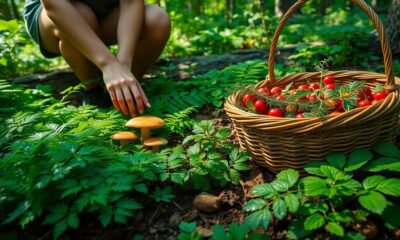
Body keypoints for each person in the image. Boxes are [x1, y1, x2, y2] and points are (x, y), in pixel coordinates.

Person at [23, 0, 171, 116]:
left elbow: (131, 2)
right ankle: (92, 92)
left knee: (157, 19)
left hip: (108, 12)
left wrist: (124, 63)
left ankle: (126, 91)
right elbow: (55, 5)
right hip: (55, 15)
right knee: (82, 13)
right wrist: (108, 64)